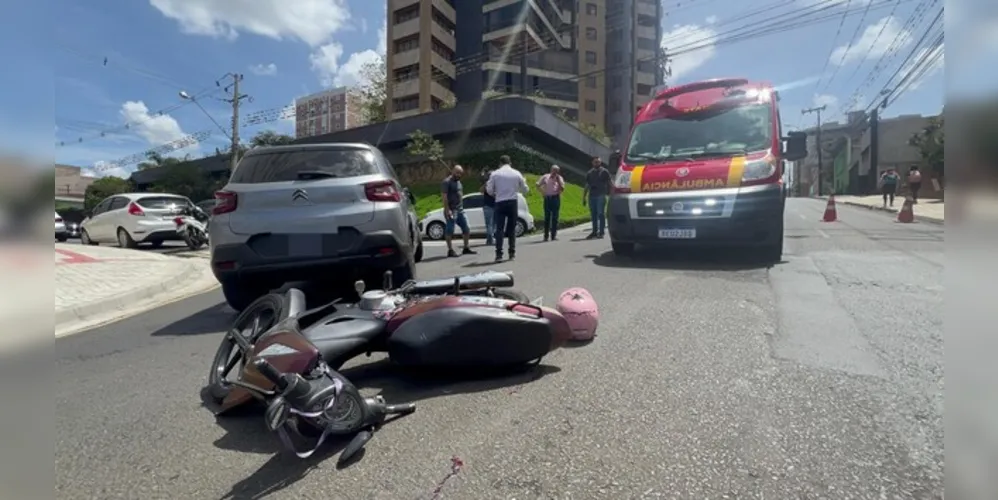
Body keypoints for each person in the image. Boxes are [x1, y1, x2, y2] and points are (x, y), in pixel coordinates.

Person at [486, 154, 528, 262]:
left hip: (500, 202)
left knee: (499, 229)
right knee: (511, 229)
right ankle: (511, 253)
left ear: (500, 163)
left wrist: (496, 193)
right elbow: (525, 190)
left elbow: (489, 190)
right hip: (512, 202)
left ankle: (499, 254)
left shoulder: (495, 174)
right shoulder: (516, 173)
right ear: (510, 163)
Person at [441, 165, 476, 258]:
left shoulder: (459, 182)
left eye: (460, 173)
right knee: (450, 230)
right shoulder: (446, 182)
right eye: (457, 172)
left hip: (460, 209)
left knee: (467, 228)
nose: (459, 175)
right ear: (453, 171)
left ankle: (466, 248)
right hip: (452, 210)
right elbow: (444, 197)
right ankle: (450, 250)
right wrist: (447, 210)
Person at [582, 156, 613, 239]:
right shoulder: (589, 173)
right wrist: (584, 197)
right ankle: (594, 232)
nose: (597, 163)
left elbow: (610, 182)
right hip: (592, 195)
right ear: (592, 163)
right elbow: (587, 185)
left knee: (600, 213)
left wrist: (613, 193)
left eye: (598, 162)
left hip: (601, 195)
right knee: (593, 215)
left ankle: (601, 232)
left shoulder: (604, 172)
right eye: (595, 162)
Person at [536, 164, 565, 241]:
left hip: (555, 198)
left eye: (556, 171)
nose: (555, 172)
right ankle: (545, 236)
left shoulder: (560, 178)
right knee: (547, 217)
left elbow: (562, 189)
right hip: (547, 199)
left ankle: (553, 236)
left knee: (555, 218)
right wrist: (542, 192)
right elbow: (537, 184)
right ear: (551, 170)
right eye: (553, 170)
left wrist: (558, 181)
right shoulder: (546, 176)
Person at [479, 169, 496, 246]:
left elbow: (481, 191)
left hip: (491, 206)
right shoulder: (489, 184)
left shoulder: (493, 184)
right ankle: (491, 239)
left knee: (491, 224)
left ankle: (490, 239)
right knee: (491, 224)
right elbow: (481, 191)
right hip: (490, 206)